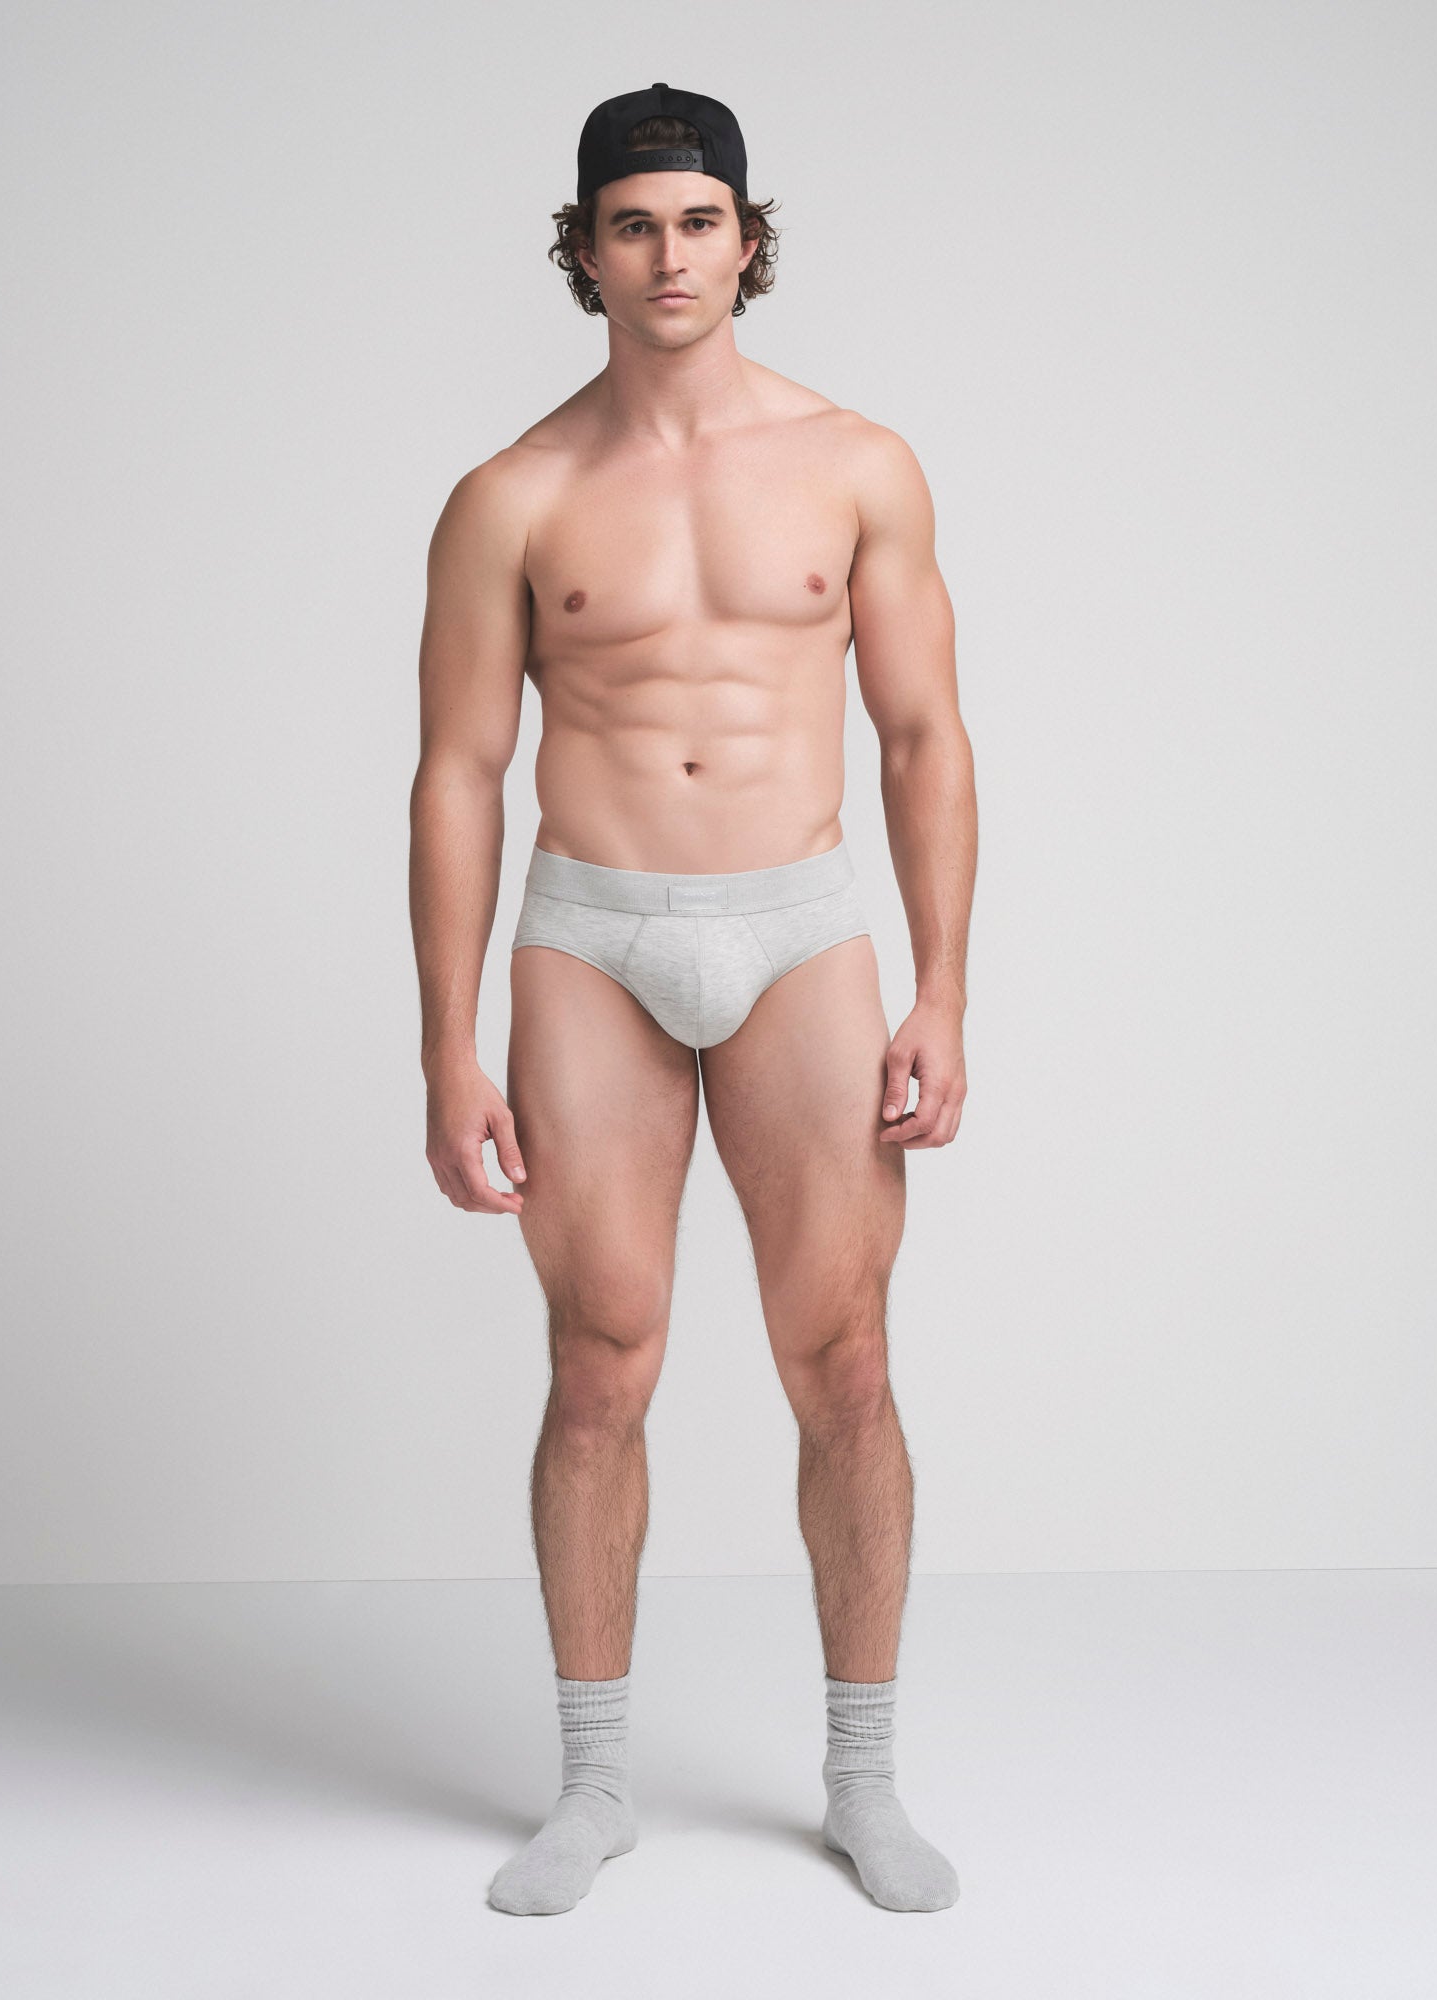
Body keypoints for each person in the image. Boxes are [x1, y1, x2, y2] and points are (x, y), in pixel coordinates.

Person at [408, 81, 976, 1915]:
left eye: (700, 221)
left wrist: (945, 989)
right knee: (600, 1363)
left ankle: (865, 1781)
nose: (670, 255)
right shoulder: (510, 496)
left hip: (800, 930)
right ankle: (591, 1787)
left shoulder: (857, 464)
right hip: (594, 938)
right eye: (634, 224)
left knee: (847, 1361)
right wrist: (445, 1046)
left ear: (749, 240)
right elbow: (457, 775)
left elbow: (922, 736)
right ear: (584, 251)